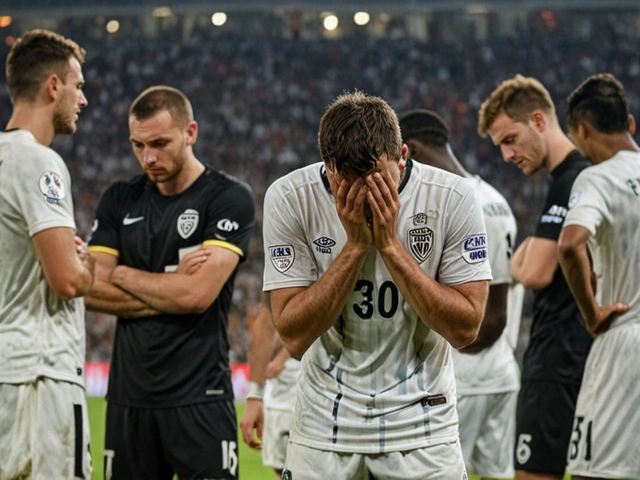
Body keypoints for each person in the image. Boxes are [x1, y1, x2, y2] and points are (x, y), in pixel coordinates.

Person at [262, 91, 492, 479]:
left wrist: (389, 246)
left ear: (403, 157)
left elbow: (466, 329)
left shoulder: (453, 197)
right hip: (323, 426)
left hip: (424, 427)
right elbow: (294, 336)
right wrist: (354, 248)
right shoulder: (290, 197)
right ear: (328, 168)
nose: (364, 197)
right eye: (348, 184)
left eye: (377, 181)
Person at [85, 85, 256, 480]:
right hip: (130, 399)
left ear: (190, 132)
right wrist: (170, 287)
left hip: (201, 398)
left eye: (160, 143)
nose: (148, 157)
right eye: (138, 144)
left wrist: (122, 274)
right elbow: (90, 287)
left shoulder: (228, 197)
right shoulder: (119, 198)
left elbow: (197, 295)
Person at [478, 74, 593, 480]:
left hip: (556, 360)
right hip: (587, 359)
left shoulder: (569, 181)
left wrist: (521, 257)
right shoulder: (589, 175)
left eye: (510, 139)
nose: (507, 154)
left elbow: (535, 272)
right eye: (500, 146)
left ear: (539, 121)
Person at [400, 109, 522, 480]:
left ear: (412, 151)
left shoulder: (461, 202)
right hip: (500, 374)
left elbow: (492, 317)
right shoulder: (493, 197)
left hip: (465, 378)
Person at [0, 29, 94, 479]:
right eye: (77, 86)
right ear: (52, 86)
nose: (83, 99)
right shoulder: (40, 162)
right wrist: (86, 264)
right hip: (41, 375)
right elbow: (69, 281)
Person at [558, 73, 638, 479]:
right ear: (630, 124)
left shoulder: (597, 177)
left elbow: (570, 245)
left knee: (597, 469)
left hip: (625, 339)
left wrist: (591, 314)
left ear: (582, 131)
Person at [240, 293, 300, 478]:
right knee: (278, 461)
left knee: (292, 462)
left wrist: (281, 359)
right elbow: (268, 323)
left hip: (293, 381)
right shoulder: (275, 297)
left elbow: (306, 324)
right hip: (276, 389)